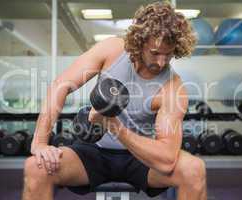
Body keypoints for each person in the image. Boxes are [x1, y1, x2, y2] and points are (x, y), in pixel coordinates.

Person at [22, 2, 207, 200]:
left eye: (168, 54)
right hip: (93, 151)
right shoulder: (112, 50)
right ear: (140, 42)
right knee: (35, 167)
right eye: (155, 53)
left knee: (194, 169)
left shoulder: (173, 88)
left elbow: (167, 160)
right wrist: (40, 142)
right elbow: (61, 85)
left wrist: (113, 125)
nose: (161, 62)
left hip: (141, 156)